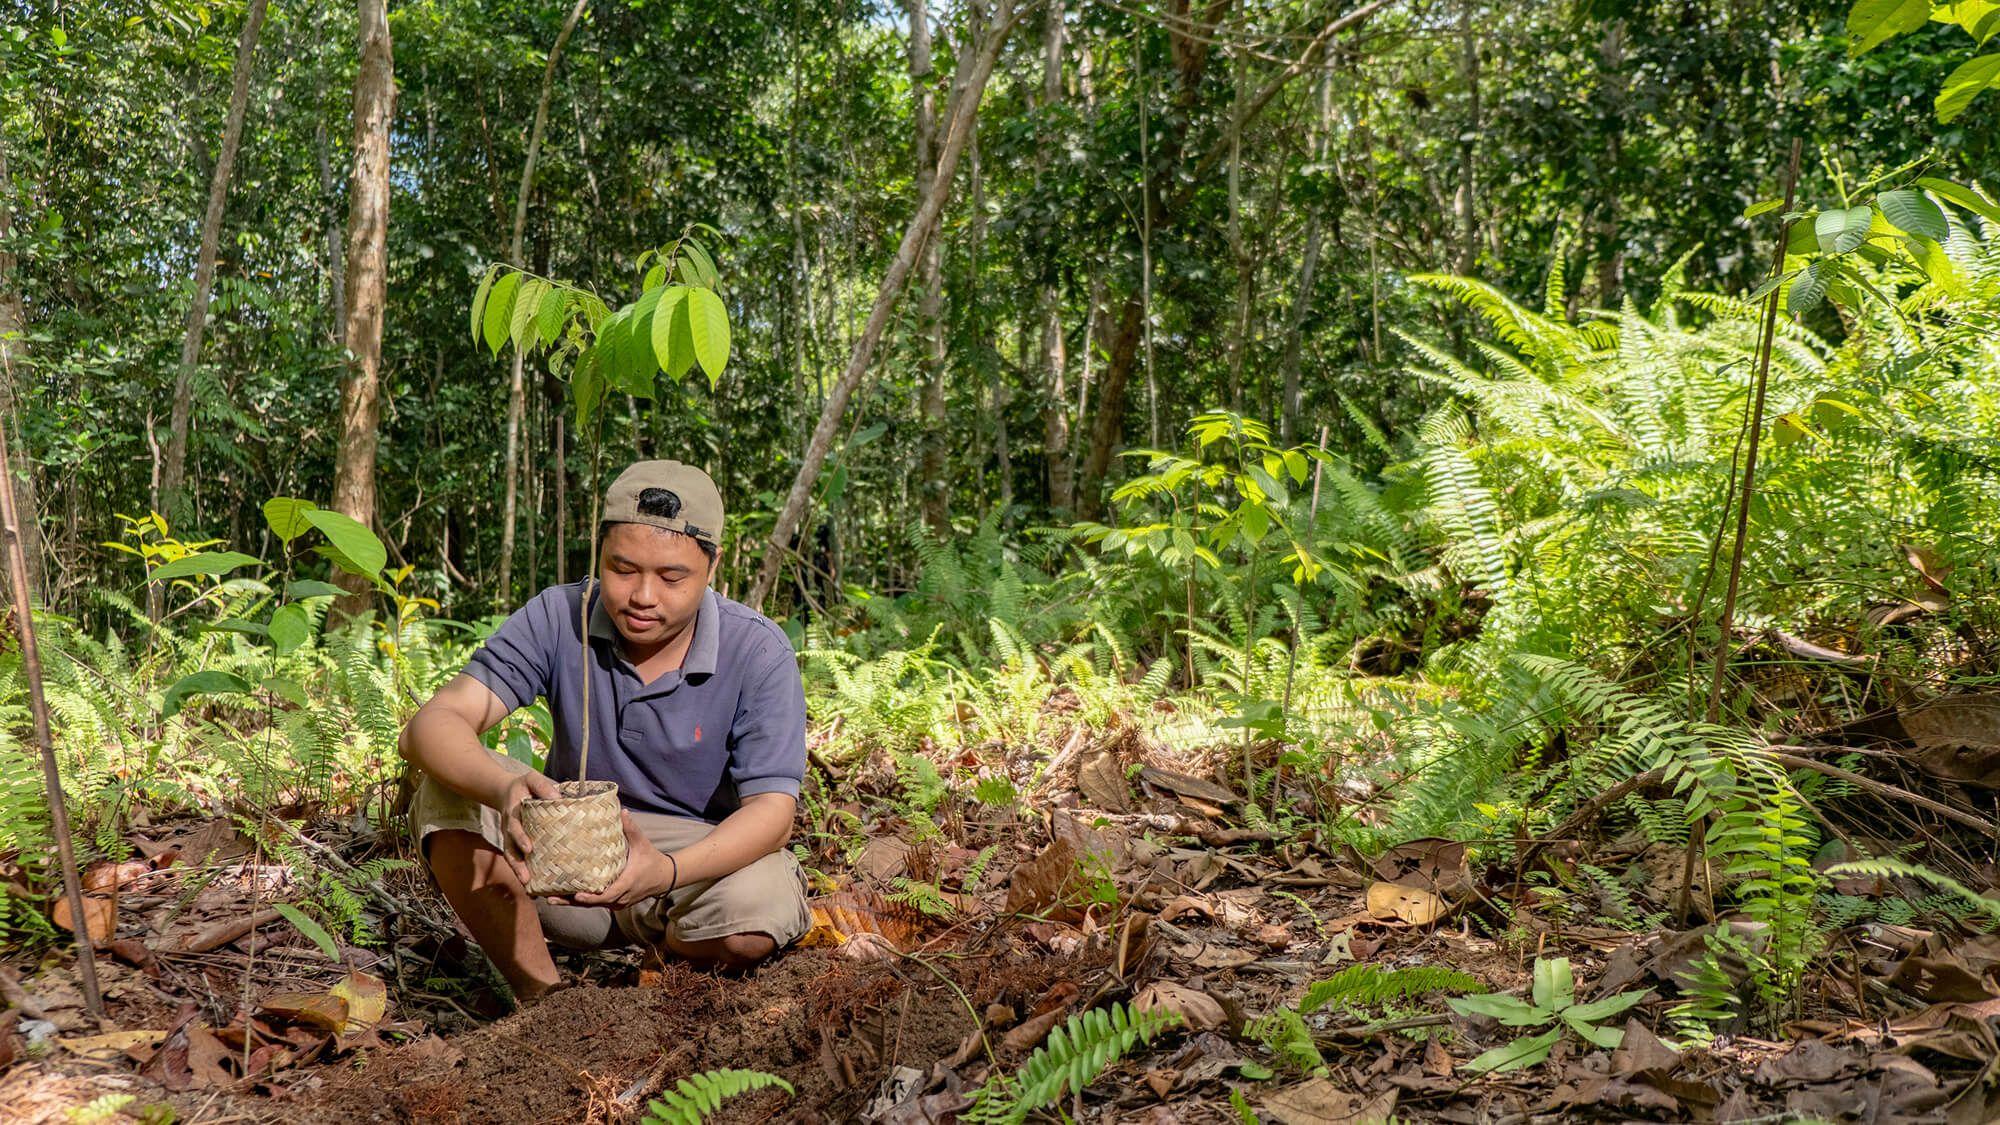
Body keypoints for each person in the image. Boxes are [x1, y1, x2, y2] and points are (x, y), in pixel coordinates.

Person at [398, 460, 809, 1001]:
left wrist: (663, 871)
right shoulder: (560, 614)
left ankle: (659, 982)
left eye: (671, 577)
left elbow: (772, 813)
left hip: (692, 863)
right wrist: (503, 790)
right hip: (568, 857)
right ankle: (543, 1000)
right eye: (622, 568)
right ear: (599, 555)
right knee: (450, 783)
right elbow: (430, 727)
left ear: (712, 566)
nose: (642, 595)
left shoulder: (757, 648)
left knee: (757, 917)